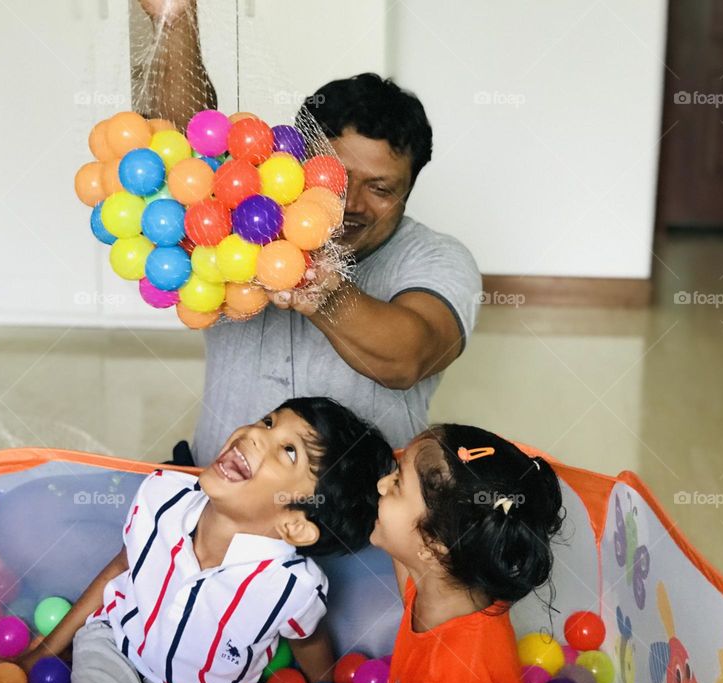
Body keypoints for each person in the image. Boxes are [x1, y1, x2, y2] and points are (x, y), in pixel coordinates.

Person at [137, 1, 482, 467]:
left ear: (408, 190)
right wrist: (175, 19)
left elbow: (409, 358)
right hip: (221, 488)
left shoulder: (438, 257)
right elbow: (189, 153)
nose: (351, 203)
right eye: (335, 177)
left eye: (380, 188)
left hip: (361, 506)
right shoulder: (247, 223)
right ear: (296, 164)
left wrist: (322, 290)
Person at [10, 397, 393, 683]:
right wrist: (42, 653)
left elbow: (308, 639)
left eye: (288, 451)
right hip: (115, 648)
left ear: (294, 525)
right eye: (268, 421)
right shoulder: (161, 497)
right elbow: (120, 567)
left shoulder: (292, 586)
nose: (256, 434)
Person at [371, 424, 564, 683]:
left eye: (397, 483)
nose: (381, 485)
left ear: (433, 546)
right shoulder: (441, 582)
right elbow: (402, 543)